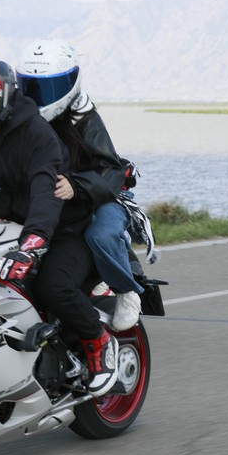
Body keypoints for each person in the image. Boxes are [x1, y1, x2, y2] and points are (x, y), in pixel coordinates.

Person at [0, 55, 119, 397]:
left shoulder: (36, 134)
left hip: (62, 232)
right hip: (6, 232)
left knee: (53, 287)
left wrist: (32, 244)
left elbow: (46, 193)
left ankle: (98, 342)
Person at [15, 38, 156, 331]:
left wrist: (77, 185)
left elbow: (111, 170)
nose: (40, 96)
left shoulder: (84, 117)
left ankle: (126, 290)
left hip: (101, 196)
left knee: (100, 234)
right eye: (33, 87)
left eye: (49, 88)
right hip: (56, 200)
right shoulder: (23, 121)